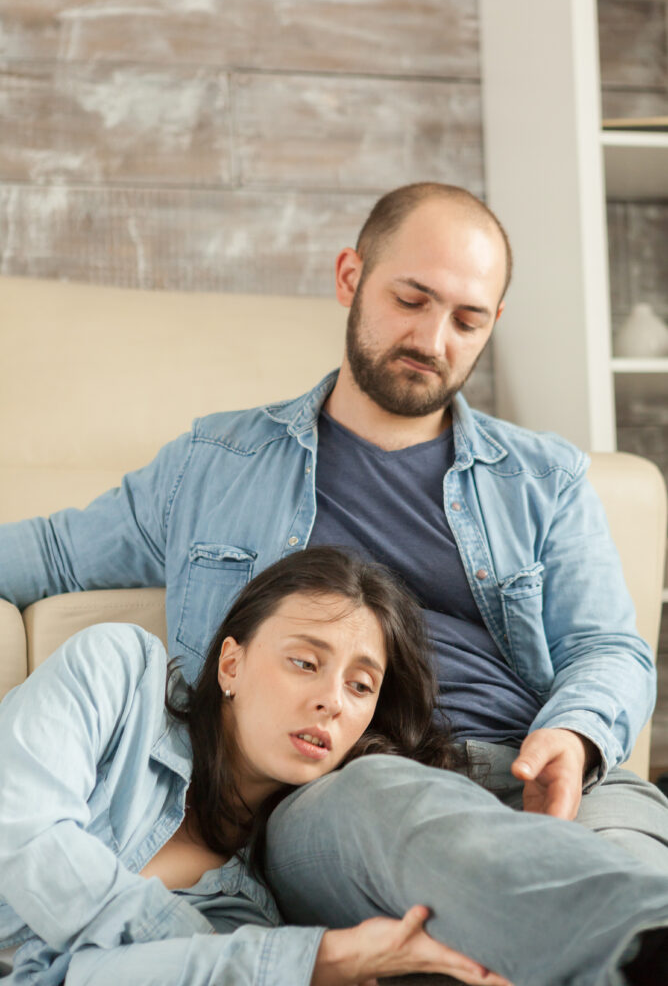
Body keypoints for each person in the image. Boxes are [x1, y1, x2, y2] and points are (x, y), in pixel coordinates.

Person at [1, 181, 668, 981]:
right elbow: (53, 554)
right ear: (351, 277)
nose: (432, 337)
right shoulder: (216, 466)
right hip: (359, 793)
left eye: (467, 319)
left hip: (548, 771)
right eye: (411, 299)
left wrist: (577, 734)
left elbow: (609, 648)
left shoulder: (544, 479)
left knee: (630, 868)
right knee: (406, 810)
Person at [0, 547, 511, 986]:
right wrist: (252, 958)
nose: (332, 701)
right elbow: (23, 835)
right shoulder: (119, 672)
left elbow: (85, 978)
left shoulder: (253, 906)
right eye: (305, 663)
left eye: (360, 686)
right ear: (231, 664)